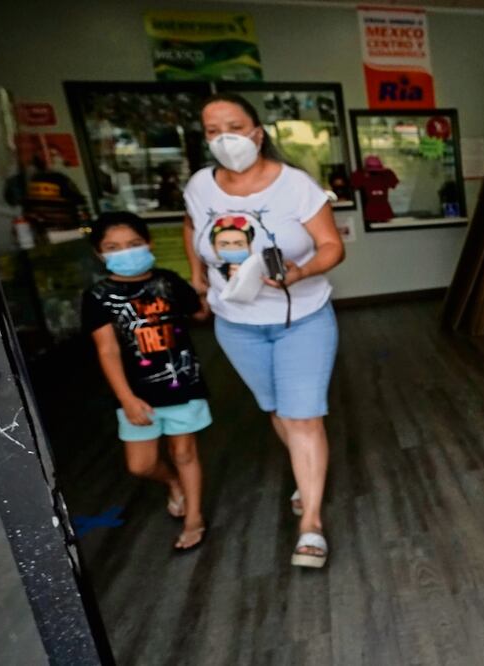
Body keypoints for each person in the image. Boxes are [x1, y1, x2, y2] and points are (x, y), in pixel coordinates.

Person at [182, 93, 344, 569]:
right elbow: (190, 225)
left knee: (303, 417)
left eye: (234, 126)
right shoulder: (199, 185)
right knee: (277, 408)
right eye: (213, 130)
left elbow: (332, 246)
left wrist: (299, 272)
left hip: (301, 318)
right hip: (238, 325)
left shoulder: (294, 186)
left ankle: (310, 523)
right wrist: (196, 276)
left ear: (257, 131)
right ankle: (305, 471)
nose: (225, 138)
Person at [81, 212, 210, 551]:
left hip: (182, 384)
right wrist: (126, 398)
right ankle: (173, 484)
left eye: (134, 244)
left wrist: (204, 291)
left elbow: (199, 313)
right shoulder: (98, 296)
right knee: (141, 465)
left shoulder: (168, 281)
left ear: (149, 243)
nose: (125, 252)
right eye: (113, 247)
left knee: (184, 452)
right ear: (100, 253)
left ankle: (194, 517)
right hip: (136, 394)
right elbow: (107, 350)